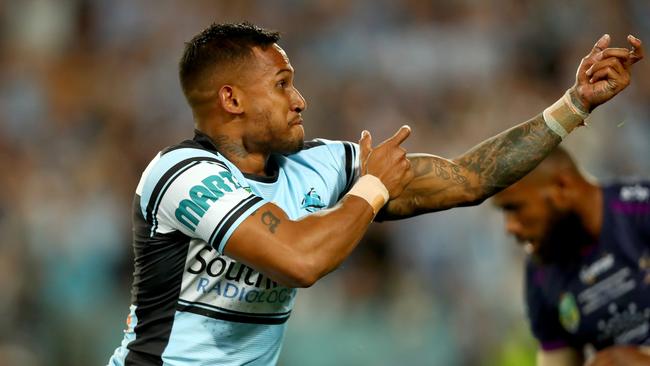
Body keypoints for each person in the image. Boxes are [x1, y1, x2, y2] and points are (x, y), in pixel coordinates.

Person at [106, 22, 643, 365]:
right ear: (231, 98)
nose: (300, 100)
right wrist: (372, 186)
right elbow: (298, 258)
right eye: (282, 84)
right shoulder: (180, 173)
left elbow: (467, 179)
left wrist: (572, 107)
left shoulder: (320, 164)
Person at [492, 147, 650, 366]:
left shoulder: (640, 210)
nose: (509, 227)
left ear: (562, 187)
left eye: (515, 208)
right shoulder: (541, 273)